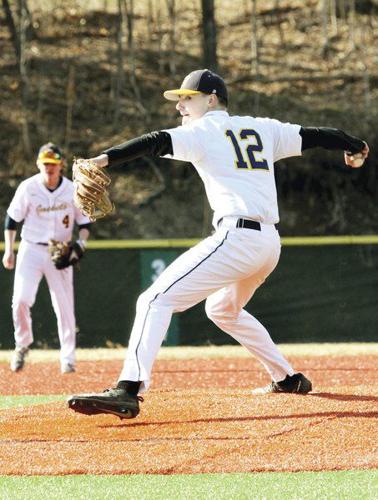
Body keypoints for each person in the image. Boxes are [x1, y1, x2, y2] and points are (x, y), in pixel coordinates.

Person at [68, 69, 369, 419]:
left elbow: (153, 141)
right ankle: (287, 378)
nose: (180, 104)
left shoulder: (202, 131)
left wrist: (101, 159)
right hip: (269, 244)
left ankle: (128, 388)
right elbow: (316, 135)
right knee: (222, 310)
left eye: (187, 98)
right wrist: (354, 145)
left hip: (237, 238)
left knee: (153, 300)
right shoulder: (262, 127)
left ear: (210, 99)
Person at [2, 143, 92, 374]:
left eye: (53, 164)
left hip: (59, 251)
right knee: (20, 300)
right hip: (31, 249)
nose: (49, 168)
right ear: (38, 164)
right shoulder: (28, 188)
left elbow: (84, 222)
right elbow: (12, 219)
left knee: (64, 307)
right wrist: (9, 250)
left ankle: (68, 359)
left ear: (61, 165)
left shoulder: (72, 189)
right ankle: (22, 345)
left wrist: (81, 243)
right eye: (45, 164)